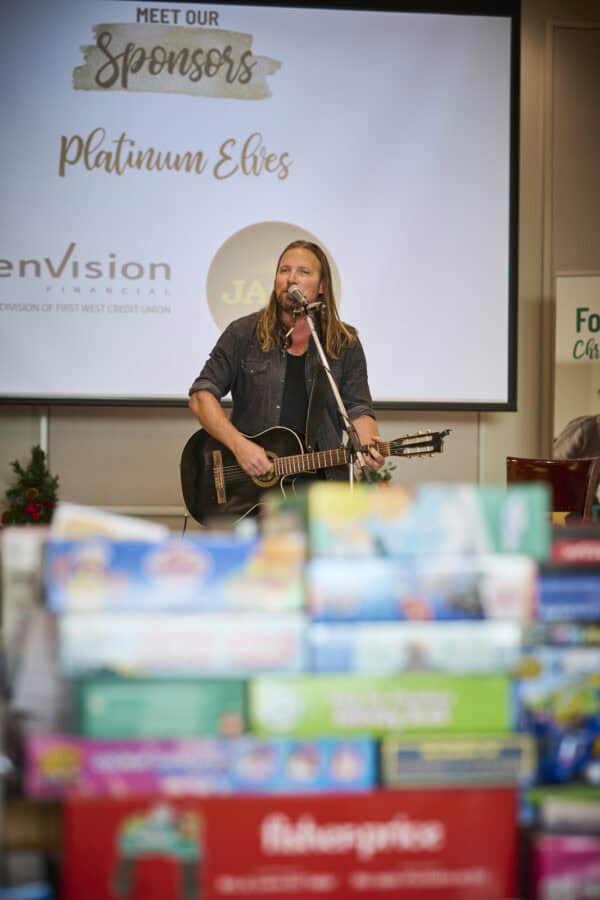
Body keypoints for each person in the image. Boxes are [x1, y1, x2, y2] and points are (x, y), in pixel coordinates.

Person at [188, 239, 384, 484]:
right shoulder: (243, 333)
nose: (291, 279)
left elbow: (358, 408)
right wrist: (240, 446)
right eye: (284, 270)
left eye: (303, 272)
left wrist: (368, 445)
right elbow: (200, 398)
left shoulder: (344, 342)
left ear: (322, 286)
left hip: (324, 486)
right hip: (253, 490)